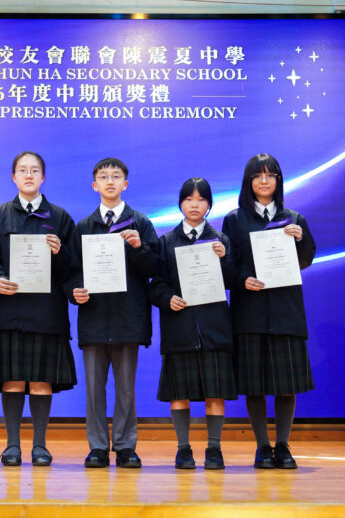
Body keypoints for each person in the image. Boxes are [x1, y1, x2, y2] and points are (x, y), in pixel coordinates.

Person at [0, 151, 78, 467]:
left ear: (43, 177)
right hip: (8, 309)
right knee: (11, 379)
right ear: (13, 177)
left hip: (47, 311)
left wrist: (60, 253)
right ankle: (11, 445)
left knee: (40, 380)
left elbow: (72, 267)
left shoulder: (60, 217)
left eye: (35, 170)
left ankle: (39, 446)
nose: (29, 175)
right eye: (22, 170)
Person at [222, 154, 316, 469]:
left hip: (286, 311)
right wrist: (241, 280)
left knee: (286, 384)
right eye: (257, 175)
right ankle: (262, 446)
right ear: (248, 182)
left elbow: (305, 260)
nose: (264, 181)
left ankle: (283, 445)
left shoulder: (294, 218)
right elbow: (228, 265)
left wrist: (300, 240)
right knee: (255, 383)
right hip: (249, 312)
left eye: (270, 175)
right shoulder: (235, 219)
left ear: (278, 180)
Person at [70, 158, 158, 469]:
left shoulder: (141, 223)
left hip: (128, 318)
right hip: (93, 317)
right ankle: (97, 446)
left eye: (116, 176)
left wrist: (139, 248)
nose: (110, 181)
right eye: (104, 177)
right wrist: (74, 290)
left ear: (125, 184)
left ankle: (125, 446)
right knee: (94, 389)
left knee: (126, 389)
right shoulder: (84, 226)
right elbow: (71, 271)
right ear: (94, 185)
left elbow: (155, 268)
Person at [148, 177, 237, 470]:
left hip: (214, 329)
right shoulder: (166, 242)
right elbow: (155, 285)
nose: (194, 204)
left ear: (209, 204)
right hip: (180, 328)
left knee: (215, 393)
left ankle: (214, 448)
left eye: (201, 199)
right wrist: (168, 298)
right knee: (179, 394)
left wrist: (225, 259)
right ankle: (183, 449)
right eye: (189, 199)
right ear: (180, 204)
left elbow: (233, 280)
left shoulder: (220, 240)